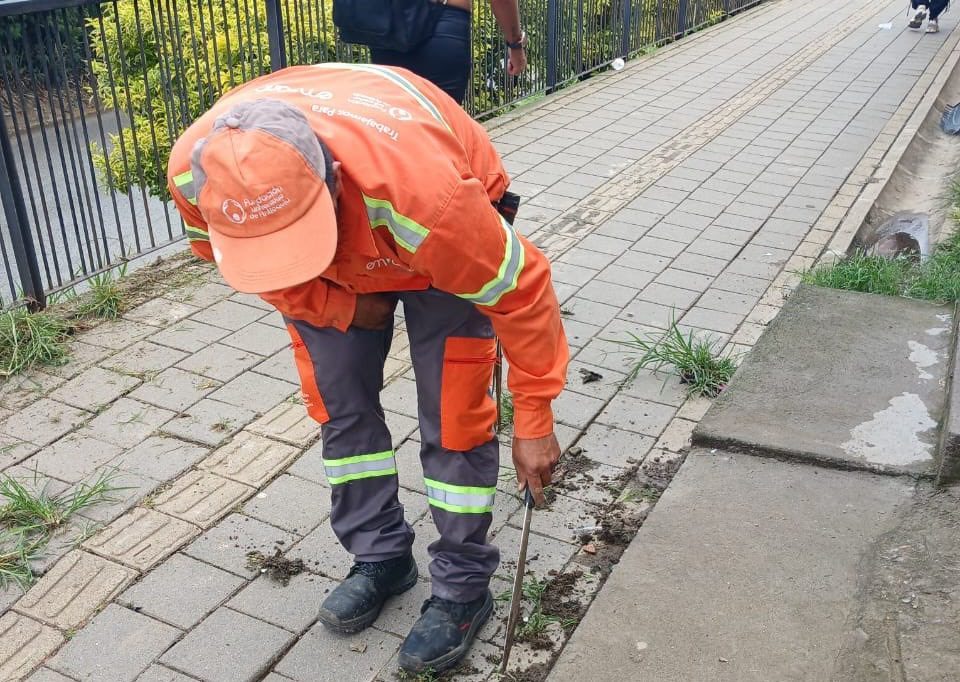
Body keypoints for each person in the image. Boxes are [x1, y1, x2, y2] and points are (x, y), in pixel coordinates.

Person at [166, 63, 568, 674]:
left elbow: (520, 291)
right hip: (342, 260)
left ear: (331, 183)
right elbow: (234, 262)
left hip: (429, 232)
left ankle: (462, 584)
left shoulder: (429, 200)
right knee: (341, 405)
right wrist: (335, 301)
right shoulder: (200, 178)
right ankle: (382, 555)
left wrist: (534, 417)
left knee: (454, 415)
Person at [369, 0, 527, 104]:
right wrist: (515, 45)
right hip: (441, 26)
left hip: (388, 30)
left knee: (394, 127)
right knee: (440, 129)